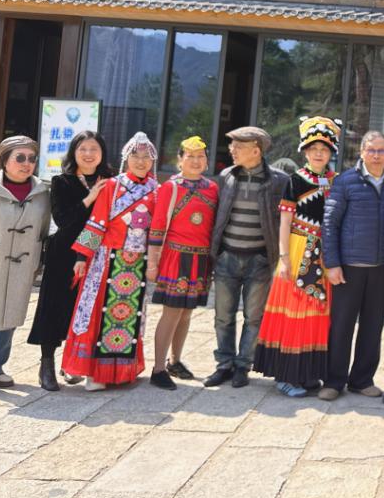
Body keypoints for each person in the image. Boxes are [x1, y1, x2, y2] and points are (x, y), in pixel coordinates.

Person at [62, 132, 159, 391]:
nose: (141, 161)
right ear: (126, 158)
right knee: (97, 313)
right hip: (106, 260)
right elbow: (97, 222)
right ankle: (94, 373)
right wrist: (82, 256)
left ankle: (121, 372)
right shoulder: (112, 186)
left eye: (146, 157)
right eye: (135, 156)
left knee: (129, 317)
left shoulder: (157, 191)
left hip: (138, 263)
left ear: (153, 161)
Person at [254, 117, 341, 397]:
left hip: (324, 254)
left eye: (324, 149)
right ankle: (286, 375)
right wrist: (284, 257)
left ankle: (307, 373)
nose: (319, 154)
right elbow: (285, 222)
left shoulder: (336, 181)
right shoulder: (296, 180)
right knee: (294, 313)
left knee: (317, 314)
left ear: (331, 153)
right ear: (305, 151)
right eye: (314, 148)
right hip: (298, 249)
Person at [28, 131, 113, 391]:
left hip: (98, 254)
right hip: (63, 253)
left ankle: (74, 363)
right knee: (54, 307)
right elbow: (63, 220)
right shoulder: (61, 182)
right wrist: (90, 198)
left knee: (85, 309)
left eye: (94, 149)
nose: (88, 154)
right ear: (73, 153)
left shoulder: (111, 180)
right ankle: (46, 364)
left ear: (102, 153)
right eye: (82, 149)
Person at [322, 130, 384, 400]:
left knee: (373, 326)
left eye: (381, 150)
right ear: (362, 152)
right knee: (341, 325)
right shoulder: (345, 181)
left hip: (383, 267)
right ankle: (334, 381)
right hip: (349, 267)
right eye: (371, 150)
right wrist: (332, 263)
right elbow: (330, 224)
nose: (376, 155)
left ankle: (362, 380)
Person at [205, 126, 288, 389]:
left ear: (256, 150)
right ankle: (224, 364)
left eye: (239, 146)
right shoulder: (226, 176)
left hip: (260, 260)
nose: (232, 150)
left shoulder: (279, 181)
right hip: (227, 257)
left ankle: (243, 365)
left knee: (254, 317)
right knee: (223, 316)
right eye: (232, 146)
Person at [0, 136, 50, 397]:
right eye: (20, 158)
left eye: (32, 158)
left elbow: (44, 230)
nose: (27, 164)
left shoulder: (42, 194)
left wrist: (38, 261)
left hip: (22, 266)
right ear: (4, 161)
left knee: (10, 319)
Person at [145, 136, 219, 390]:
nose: (196, 161)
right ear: (180, 160)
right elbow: (157, 226)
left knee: (187, 312)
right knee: (172, 312)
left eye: (201, 157)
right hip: (175, 257)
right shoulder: (171, 187)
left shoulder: (212, 188)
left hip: (200, 258)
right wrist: (152, 263)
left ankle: (175, 361)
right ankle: (158, 369)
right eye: (190, 156)